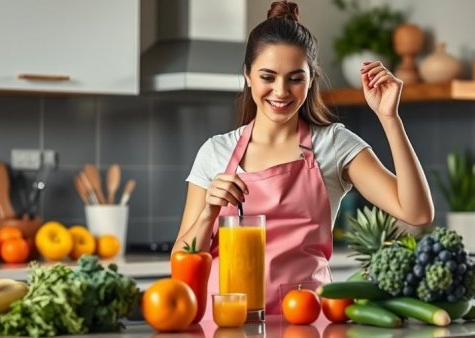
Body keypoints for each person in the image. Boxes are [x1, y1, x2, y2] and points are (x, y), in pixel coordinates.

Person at [173, 0, 434, 317]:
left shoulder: (334, 144)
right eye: (267, 76)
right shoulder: (215, 151)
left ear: (311, 79)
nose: (280, 91)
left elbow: (417, 212)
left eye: (295, 78)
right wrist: (208, 215)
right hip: (226, 323)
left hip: (306, 323)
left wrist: (390, 119)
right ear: (247, 75)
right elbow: (181, 264)